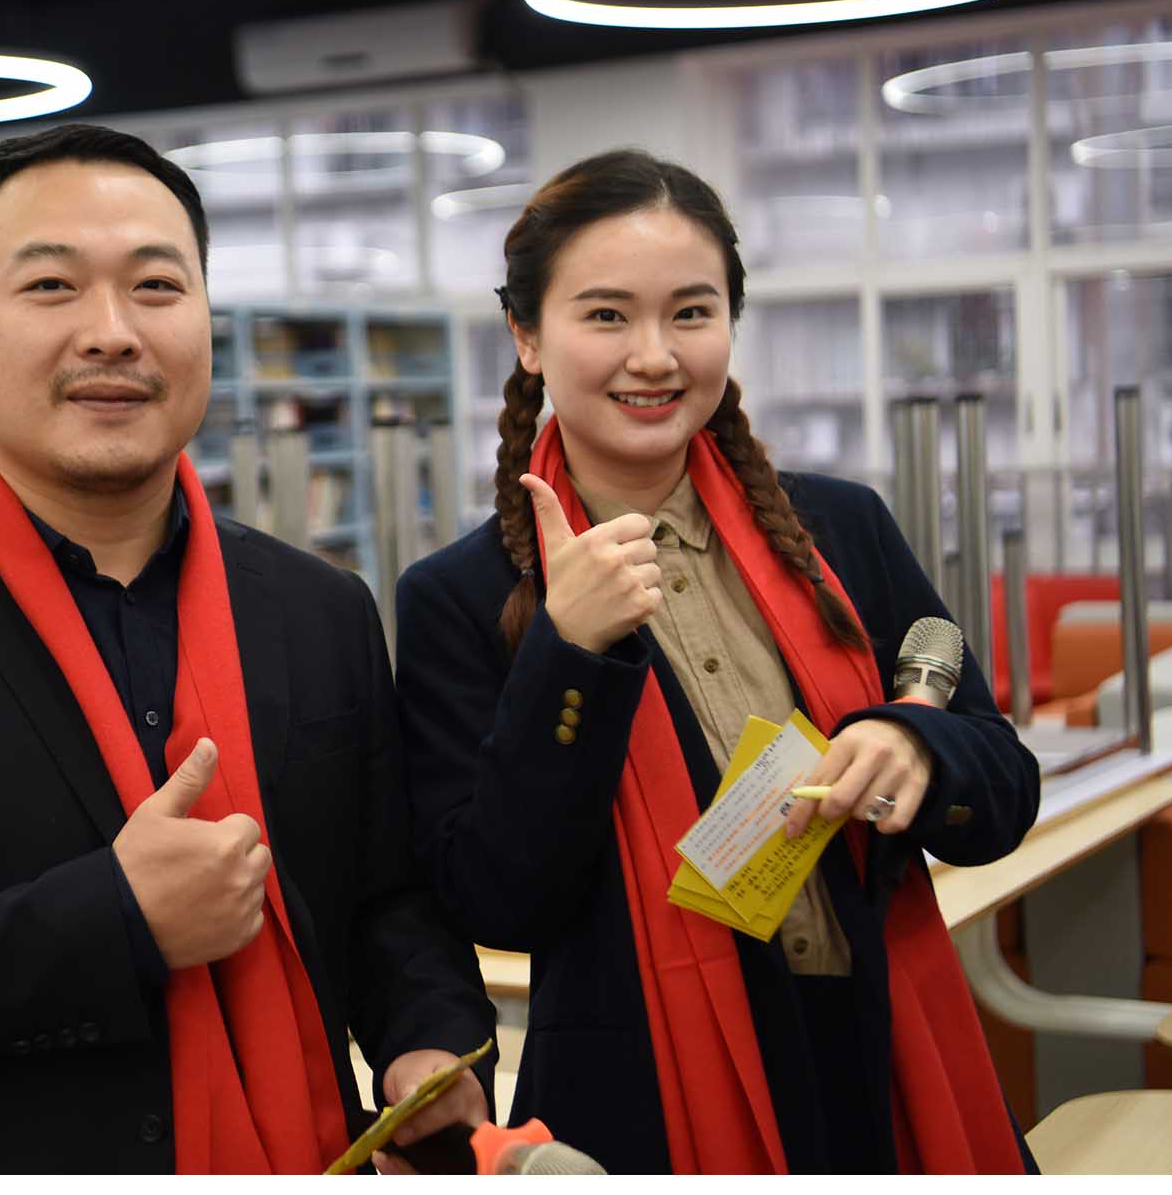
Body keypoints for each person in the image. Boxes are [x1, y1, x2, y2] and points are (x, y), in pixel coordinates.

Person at [0, 124, 495, 1175]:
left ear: (207, 317)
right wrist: (115, 920)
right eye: (52, 287)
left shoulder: (318, 607)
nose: (113, 333)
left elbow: (386, 897)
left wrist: (426, 1035)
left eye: (157, 286)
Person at [393, 148, 1041, 1174]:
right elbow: (497, 900)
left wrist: (919, 749)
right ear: (527, 336)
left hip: (886, 1052)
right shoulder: (460, 595)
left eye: (690, 313)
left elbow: (1002, 789)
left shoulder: (839, 530)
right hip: (649, 1094)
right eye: (607, 315)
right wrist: (570, 650)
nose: (654, 355)